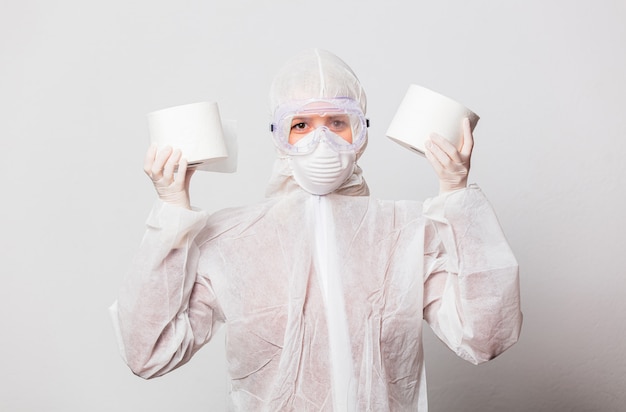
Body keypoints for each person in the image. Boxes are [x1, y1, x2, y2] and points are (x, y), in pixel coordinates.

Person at [110, 49, 522, 411]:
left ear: (360, 134)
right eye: (301, 125)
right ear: (279, 136)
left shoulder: (409, 233)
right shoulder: (231, 241)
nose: (321, 139)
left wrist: (456, 198)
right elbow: (148, 353)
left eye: (337, 122)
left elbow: (484, 337)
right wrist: (171, 213)